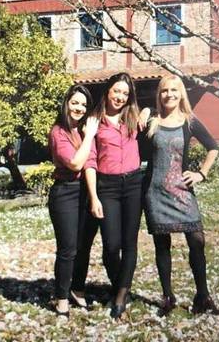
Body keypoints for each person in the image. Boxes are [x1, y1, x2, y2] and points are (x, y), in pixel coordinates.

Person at [142, 75, 219, 316]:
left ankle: (203, 296)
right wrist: (144, 110)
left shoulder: (190, 121)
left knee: (197, 240)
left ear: (181, 94)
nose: (169, 94)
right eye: (165, 91)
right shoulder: (152, 122)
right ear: (160, 95)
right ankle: (168, 296)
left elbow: (213, 147)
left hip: (183, 193)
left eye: (174, 90)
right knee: (162, 244)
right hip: (155, 192)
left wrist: (201, 174)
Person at [84, 72, 149, 320]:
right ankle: (120, 283)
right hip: (107, 187)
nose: (120, 97)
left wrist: (148, 112)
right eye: (116, 91)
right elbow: (90, 160)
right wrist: (94, 197)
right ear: (108, 91)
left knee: (129, 243)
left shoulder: (133, 117)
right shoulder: (94, 121)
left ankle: (121, 295)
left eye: (125, 93)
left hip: (133, 183)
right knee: (111, 245)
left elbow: (156, 114)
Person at [47, 84, 99, 315]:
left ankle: (77, 289)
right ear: (66, 103)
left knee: (83, 247)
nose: (79, 108)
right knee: (68, 249)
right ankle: (61, 299)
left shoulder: (84, 129)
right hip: (65, 193)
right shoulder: (59, 132)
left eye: (84, 104)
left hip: (86, 190)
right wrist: (89, 136)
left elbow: (91, 162)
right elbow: (76, 163)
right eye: (75, 102)